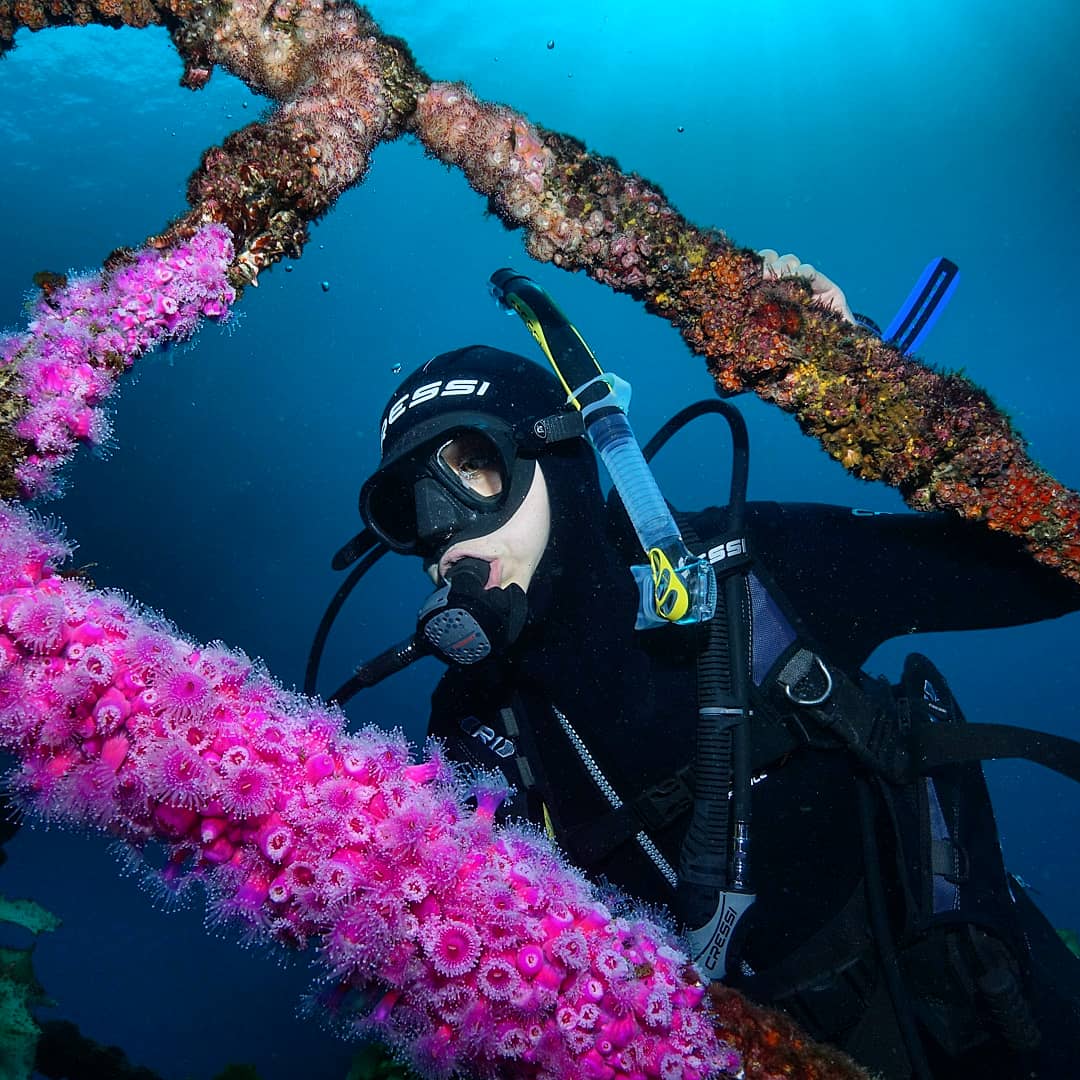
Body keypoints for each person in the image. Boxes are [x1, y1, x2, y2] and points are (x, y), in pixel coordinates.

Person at [350, 263, 1080, 1079]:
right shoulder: (471, 727)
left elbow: (1041, 572)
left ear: (554, 455)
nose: (444, 534)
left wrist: (874, 395)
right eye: (408, 510)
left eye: (471, 470)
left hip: (990, 1010)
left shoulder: (757, 571)